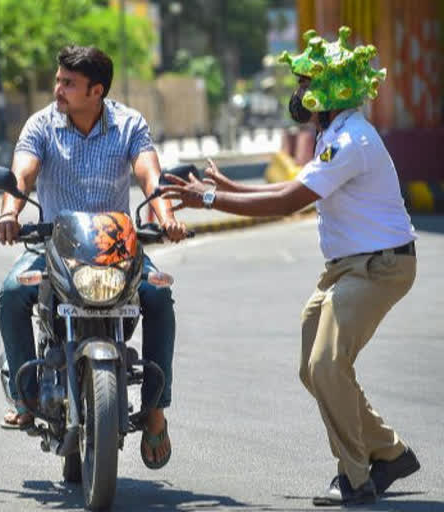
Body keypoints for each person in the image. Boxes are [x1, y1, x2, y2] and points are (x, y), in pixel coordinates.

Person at [161, 27, 419, 506]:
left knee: (327, 365)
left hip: (380, 267)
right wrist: (223, 192)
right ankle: (391, 451)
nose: (297, 93)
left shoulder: (351, 141)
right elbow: (289, 193)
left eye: (304, 83)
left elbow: (287, 201)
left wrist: (211, 197)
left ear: (331, 87)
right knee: (313, 367)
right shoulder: (334, 133)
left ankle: (357, 476)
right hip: (348, 268)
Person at [0, 45, 188, 470]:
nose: (57, 89)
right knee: (12, 293)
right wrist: (10, 213)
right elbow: (22, 173)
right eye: (58, 80)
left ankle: (156, 406)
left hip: (115, 248)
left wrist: (166, 218)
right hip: (54, 247)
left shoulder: (128, 124)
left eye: (68, 83)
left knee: (158, 298)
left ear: (96, 91)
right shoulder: (41, 125)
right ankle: (25, 398)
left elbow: (149, 174)